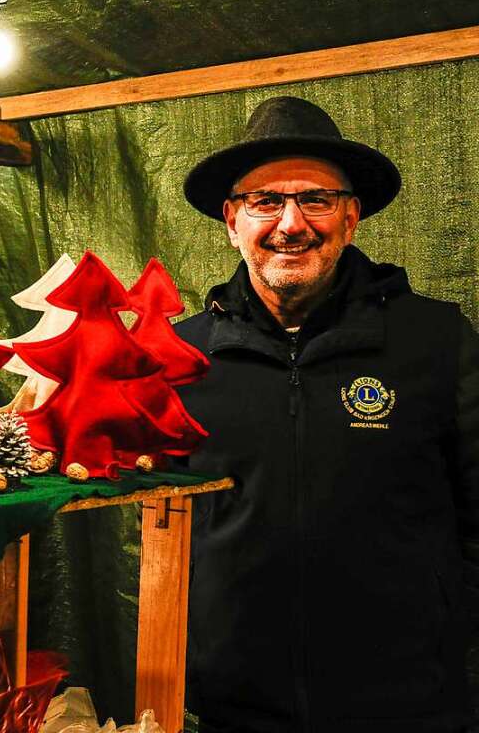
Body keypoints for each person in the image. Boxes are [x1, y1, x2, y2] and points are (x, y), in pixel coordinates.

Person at [174, 96, 479, 732]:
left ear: (350, 218)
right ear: (232, 220)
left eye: (315, 199)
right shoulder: (179, 355)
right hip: (234, 702)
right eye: (266, 202)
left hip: (408, 704)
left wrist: (443, 632)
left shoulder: (437, 338)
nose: (292, 223)